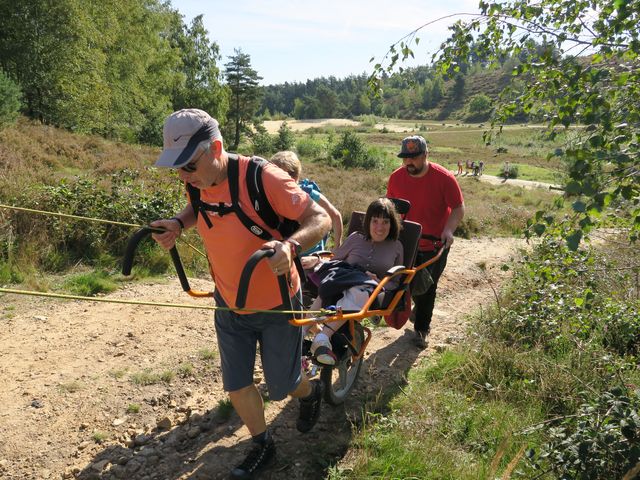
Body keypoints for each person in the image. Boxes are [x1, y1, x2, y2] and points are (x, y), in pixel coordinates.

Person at [150, 109, 331, 479]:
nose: (184, 176)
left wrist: (290, 247)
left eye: (188, 166)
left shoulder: (264, 177)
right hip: (229, 300)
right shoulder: (197, 179)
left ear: (215, 147)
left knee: (283, 384)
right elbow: (197, 206)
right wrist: (178, 224)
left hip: (278, 302)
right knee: (237, 385)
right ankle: (262, 444)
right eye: (178, 169)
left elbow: (320, 219)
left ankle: (310, 395)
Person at [302, 198, 403, 365]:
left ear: (392, 224)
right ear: (368, 221)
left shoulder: (396, 246)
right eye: (375, 221)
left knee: (359, 290)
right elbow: (335, 260)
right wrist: (317, 260)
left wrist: (379, 282)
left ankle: (323, 336)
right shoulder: (356, 238)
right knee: (330, 284)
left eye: (385, 222)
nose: (379, 228)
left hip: (369, 289)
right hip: (342, 280)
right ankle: (302, 332)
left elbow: (397, 281)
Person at [386, 135, 465, 349]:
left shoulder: (444, 178)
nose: (409, 162)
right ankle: (414, 310)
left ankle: (421, 329)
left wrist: (448, 230)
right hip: (407, 242)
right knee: (407, 283)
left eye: (414, 157)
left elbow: (458, 208)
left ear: (425, 155)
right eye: (405, 158)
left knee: (428, 287)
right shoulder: (396, 178)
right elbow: (391, 208)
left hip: (435, 244)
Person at [270, 151, 343, 251]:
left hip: (311, 258)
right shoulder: (272, 196)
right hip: (285, 255)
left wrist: (337, 248)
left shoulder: (309, 194)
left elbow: (335, 216)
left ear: (293, 177)